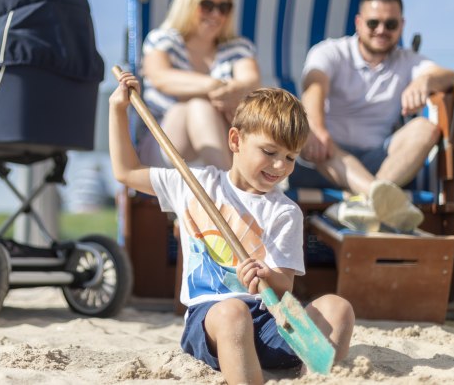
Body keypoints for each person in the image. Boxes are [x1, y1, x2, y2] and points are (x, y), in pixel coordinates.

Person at [110, 71, 355, 385]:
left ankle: (313, 378)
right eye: (269, 152)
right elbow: (127, 171)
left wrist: (267, 276)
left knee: (338, 308)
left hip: (270, 322)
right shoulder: (195, 184)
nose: (280, 166)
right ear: (236, 140)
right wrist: (118, 109)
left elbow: (284, 286)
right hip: (213, 320)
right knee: (233, 313)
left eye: (290, 157)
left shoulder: (284, 211)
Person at [290, 0, 454, 232]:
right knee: (314, 136)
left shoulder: (408, 61)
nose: (381, 30)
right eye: (373, 23)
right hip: (325, 157)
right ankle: (380, 198)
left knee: (425, 128)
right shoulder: (331, 51)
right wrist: (315, 127)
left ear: (401, 26)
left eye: (390, 24)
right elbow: (314, 87)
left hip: (378, 161)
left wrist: (426, 81)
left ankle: (365, 203)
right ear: (359, 23)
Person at [137, 0, 261, 171]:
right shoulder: (162, 40)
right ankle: (231, 191)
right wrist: (214, 87)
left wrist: (231, 92)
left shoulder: (238, 47)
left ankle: (226, 190)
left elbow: (251, 83)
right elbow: (161, 77)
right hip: (165, 145)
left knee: (201, 106)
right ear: (187, 3)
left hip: (221, 141)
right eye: (207, 5)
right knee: (198, 105)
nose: (216, 14)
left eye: (224, 7)